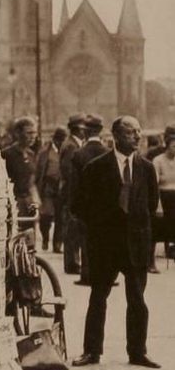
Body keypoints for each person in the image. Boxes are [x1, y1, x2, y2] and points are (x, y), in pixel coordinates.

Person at [72, 116, 160, 369]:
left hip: (135, 244)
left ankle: (137, 352)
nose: (138, 136)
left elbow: (151, 205)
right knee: (98, 297)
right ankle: (91, 351)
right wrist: (101, 228)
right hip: (105, 245)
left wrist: (140, 230)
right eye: (132, 132)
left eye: (139, 131)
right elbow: (79, 205)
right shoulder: (96, 167)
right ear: (116, 136)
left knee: (138, 300)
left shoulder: (146, 168)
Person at [69, 115, 108, 286]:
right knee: (103, 239)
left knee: (86, 240)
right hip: (104, 205)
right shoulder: (108, 152)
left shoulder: (79, 154)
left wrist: (74, 206)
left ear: (86, 131)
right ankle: (105, 275)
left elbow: (74, 183)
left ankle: (87, 274)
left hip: (86, 204)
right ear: (100, 131)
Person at [1, 117, 40, 230]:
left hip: (29, 203)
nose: (33, 136)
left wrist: (36, 202)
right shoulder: (7, 154)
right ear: (18, 133)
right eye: (29, 133)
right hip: (13, 203)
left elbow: (32, 182)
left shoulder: (31, 154)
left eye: (34, 133)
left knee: (29, 240)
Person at [59, 114, 87, 272]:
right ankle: (72, 263)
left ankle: (73, 261)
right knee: (72, 227)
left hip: (70, 191)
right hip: (71, 191)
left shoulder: (72, 143)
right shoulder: (71, 146)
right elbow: (68, 171)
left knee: (73, 227)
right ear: (78, 128)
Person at [35, 128, 67, 252]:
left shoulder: (66, 150)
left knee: (60, 217)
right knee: (46, 216)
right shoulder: (45, 152)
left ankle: (57, 244)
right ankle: (45, 238)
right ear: (55, 140)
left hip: (60, 187)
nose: (61, 143)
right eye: (60, 140)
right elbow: (39, 171)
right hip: (48, 186)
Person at [151, 126, 175, 265]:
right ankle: (150, 261)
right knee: (158, 230)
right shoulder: (158, 160)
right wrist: (158, 204)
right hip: (164, 198)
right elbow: (155, 184)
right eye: (173, 146)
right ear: (167, 146)